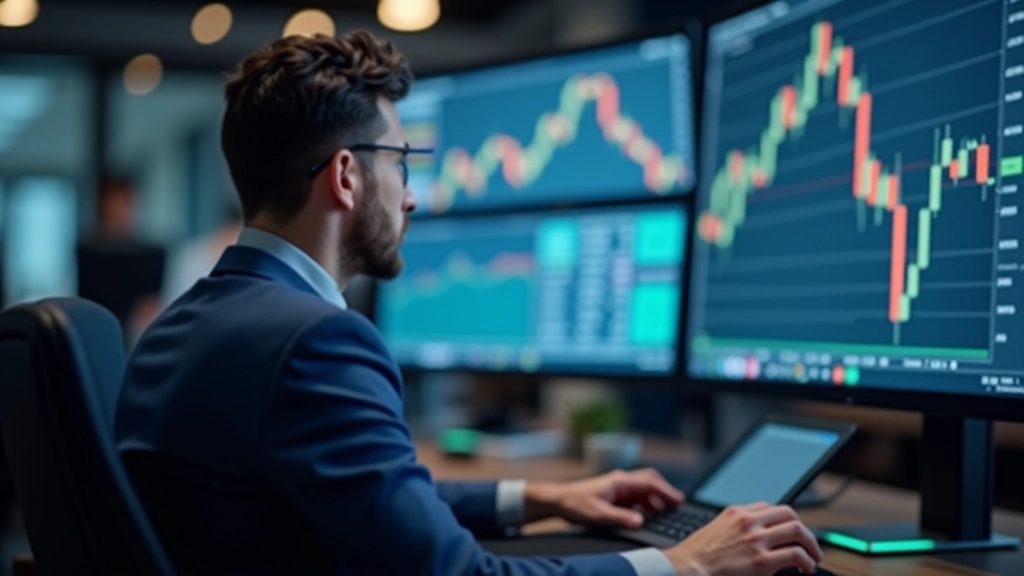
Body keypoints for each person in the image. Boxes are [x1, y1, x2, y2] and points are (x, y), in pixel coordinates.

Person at [115, 31, 824, 576]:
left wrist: (545, 496)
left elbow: (370, 502)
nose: (414, 195)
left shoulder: (185, 324)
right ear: (345, 177)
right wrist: (684, 562)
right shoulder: (317, 342)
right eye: (401, 164)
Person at [76, 175, 165, 344]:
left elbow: (151, 305)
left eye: (125, 202)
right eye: (114, 201)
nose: (120, 209)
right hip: (98, 330)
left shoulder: (152, 253)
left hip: (138, 334)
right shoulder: (89, 252)